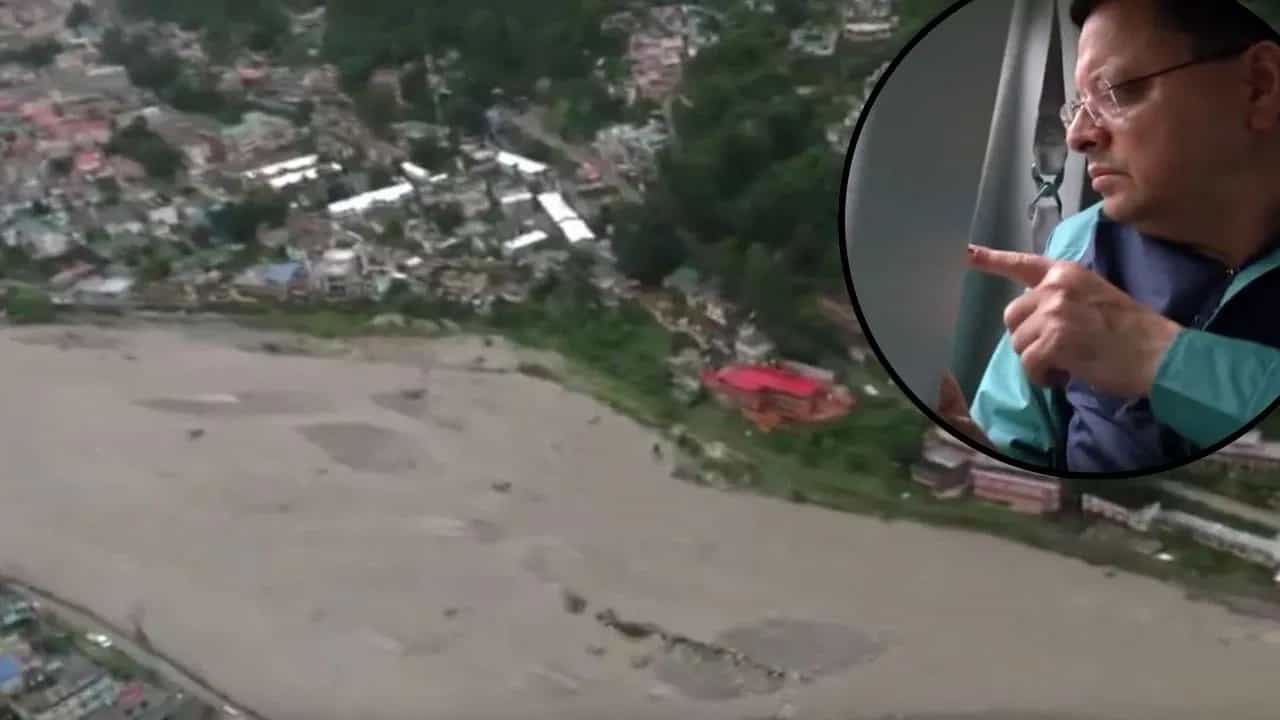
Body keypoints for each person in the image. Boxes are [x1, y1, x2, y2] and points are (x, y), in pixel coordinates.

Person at [940, 0, 1280, 475]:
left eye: (1116, 91)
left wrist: (1163, 361)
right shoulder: (1077, 245)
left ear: (1259, 86)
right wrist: (972, 448)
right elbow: (1016, 446)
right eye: (1077, 106)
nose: (1078, 138)